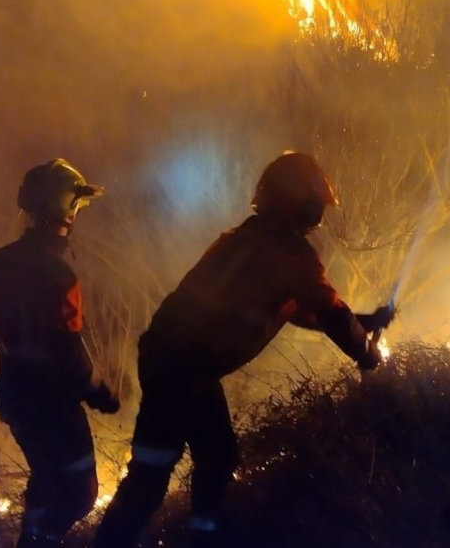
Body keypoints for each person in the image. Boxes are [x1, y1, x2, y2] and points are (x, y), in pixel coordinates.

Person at [95, 152, 394, 547]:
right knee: (156, 471)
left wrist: (365, 322)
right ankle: (149, 540)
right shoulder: (291, 255)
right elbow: (331, 315)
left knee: (214, 457)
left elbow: (296, 308)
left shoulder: (244, 239)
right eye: (315, 203)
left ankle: (200, 535)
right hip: (186, 371)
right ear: (299, 202)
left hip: (172, 361)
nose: (318, 213)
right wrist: (368, 354)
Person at [0, 158, 120, 548]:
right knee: (80, 492)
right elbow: (65, 346)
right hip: (52, 403)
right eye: (76, 204)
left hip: (13, 392)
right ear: (66, 208)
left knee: (45, 479)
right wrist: (99, 392)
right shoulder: (59, 274)